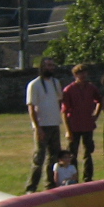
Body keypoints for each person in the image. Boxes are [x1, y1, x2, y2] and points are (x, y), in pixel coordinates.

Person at [25, 56, 65, 192]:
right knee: (39, 158)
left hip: (54, 124)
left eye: (52, 65)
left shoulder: (55, 83)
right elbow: (31, 107)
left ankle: (50, 185)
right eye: (48, 65)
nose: (50, 68)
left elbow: (59, 101)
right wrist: (37, 127)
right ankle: (31, 188)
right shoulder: (34, 84)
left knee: (54, 157)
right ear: (42, 67)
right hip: (42, 125)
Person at [59, 63, 103, 182]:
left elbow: (100, 100)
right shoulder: (69, 90)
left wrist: (95, 116)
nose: (83, 75)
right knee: (72, 154)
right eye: (80, 73)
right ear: (75, 75)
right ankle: (73, 178)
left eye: (84, 72)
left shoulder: (91, 88)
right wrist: (68, 130)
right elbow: (64, 111)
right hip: (74, 125)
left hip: (87, 125)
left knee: (88, 152)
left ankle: (88, 177)